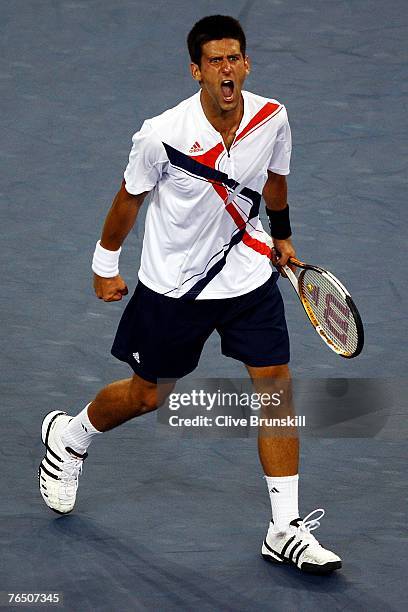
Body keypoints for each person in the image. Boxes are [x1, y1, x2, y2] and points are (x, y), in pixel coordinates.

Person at [38, 15, 341, 574]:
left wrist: (282, 234)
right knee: (148, 396)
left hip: (248, 277)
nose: (227, 69)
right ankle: (69, 435)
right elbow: (129, 199)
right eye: (215, 61)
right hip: (174, 288)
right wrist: (104, 264)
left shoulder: (272, 117)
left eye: (235, 58)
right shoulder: (161, 134)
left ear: (246, 64)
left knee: (275, 390)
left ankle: (284, 527)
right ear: (196, 71)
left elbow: (275, 179)